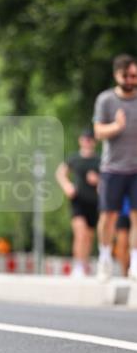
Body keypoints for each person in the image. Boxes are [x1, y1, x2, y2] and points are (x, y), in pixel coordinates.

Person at [93, 54, 137, 281]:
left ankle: (135, 262)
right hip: (112, 168)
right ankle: (104, 259)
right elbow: (98, 132)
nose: (130, 80)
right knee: (108, 216)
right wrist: (117, 126)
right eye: (126, 76)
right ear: (116, 75)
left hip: (136, 169)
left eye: (134, 76)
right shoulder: (106, 100)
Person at [55, 128, 100, 278]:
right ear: (80, 140)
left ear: (94, 141)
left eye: (90, 139)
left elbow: (108, 179)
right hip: (78, 201)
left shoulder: (99, 160)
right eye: (85, 138)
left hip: (94, 202)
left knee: (88, 237)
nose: (87, 141)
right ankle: (78, 265)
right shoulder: (74, 158)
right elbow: (60, 173)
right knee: (80, 234)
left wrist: (98, 180)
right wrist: (67, 186)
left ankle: (84, 264)